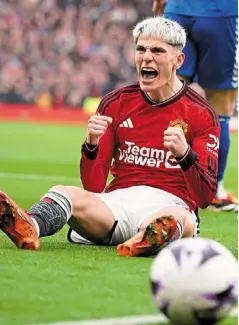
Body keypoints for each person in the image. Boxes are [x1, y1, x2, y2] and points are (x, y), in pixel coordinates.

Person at [0, 17, 220, 257]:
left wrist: (185, 155)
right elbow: (93, 186)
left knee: (178, 219)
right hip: (118, 204)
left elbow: (205, 196)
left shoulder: (201, 113)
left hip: (172, 204)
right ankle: (29, 225)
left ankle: (144, 239)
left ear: (178, 60)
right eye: (141, 49)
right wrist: (92, 145)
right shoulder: (116, 103)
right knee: (65, 192)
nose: (147, 57)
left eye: (157, 51)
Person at [152, 0, 238, 212]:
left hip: (177, 10)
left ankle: (154, 182)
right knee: (221, 105)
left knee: (166, 96)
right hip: (221, 12)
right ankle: (214, 192)